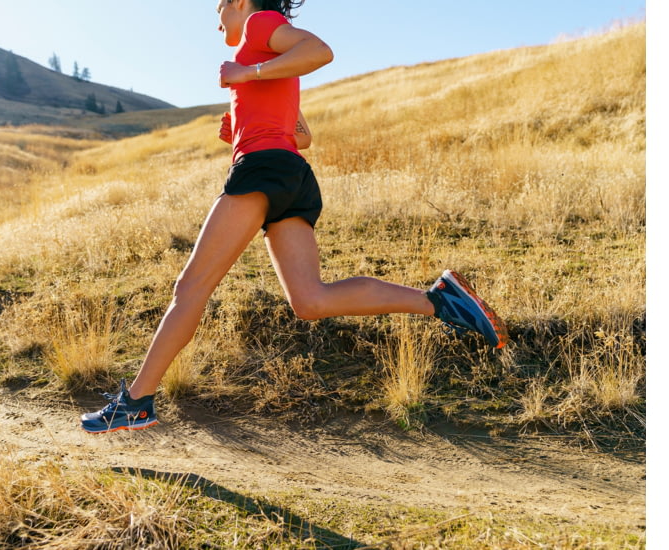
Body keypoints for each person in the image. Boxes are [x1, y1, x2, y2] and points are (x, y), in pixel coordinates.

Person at [81, 0, 508, 434]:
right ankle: (439, 301)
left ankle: (136, 402)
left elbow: (321, 51)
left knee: (190, 289)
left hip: (264, 170)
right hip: (290, 174)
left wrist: (246, 75)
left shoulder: (260, 24)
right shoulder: (269, 53)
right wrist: (241, 127)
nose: (217, 21)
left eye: (219, 7)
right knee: (310, 301)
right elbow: (302, 136)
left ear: (240, 2)